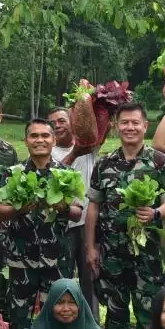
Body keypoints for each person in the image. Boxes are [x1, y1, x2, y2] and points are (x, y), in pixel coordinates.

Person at [83, 103, 165, 329]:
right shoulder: (104, 164)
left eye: (135, 122)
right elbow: (93, 206)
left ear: (145, 126)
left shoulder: (160, 162)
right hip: (111, 252)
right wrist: (91, 247)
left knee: (149, 310)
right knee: (115, 312)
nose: (130, 127)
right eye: (124, 122)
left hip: (146, 254)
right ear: (116, 126)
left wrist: (156, 212)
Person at [0, 117, 83, 329]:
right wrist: (17, 209)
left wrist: (65, 207)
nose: (40, 140)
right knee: (18, 311)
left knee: (56, 308)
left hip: (57, 256)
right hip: (20, 254)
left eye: (45, 136)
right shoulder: (14, 173)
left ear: (54, 140)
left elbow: (78, 211)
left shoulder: (65, 173)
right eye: (34, 136)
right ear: (26, 141)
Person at [47, 105, 99, 313]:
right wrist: (74, 154)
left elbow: (97, 127)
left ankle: (91, 327)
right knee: (61, 280)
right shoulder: (48, 151)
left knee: (90, 278)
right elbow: (52, 179)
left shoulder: (88, 146)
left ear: (73, 122)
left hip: (86, 224)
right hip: (60, 226)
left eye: (61, 120)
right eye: (52, 123)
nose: (57, 125)